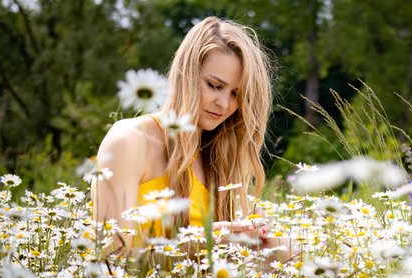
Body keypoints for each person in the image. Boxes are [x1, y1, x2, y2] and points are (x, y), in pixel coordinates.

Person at [92, 16, 279, 255]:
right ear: (185, 74)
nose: (223, 104)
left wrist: (253, 237)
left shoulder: (221, 158)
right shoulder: (129, 141)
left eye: (236, 94)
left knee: (286, 249)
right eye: (214, 85)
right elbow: (110, 260)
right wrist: (200, 244)